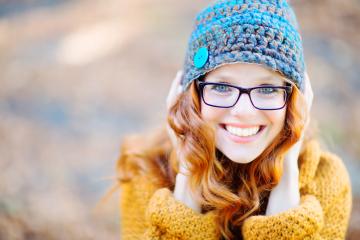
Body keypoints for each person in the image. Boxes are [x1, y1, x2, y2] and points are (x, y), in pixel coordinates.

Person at [115, 0, 352, 239]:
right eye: (221, 86)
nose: (244, 110)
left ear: (294, 99)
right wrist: (187, 177)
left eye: (267, 89)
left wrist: (287, 174)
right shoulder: (147, 170)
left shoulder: (325, 180)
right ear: (191, 93)